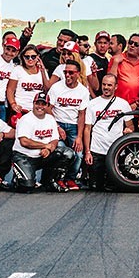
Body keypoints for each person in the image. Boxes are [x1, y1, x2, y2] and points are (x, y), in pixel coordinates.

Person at [12, 92, 74, 193]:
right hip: (24, 156)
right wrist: (45, 145)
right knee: (27, 187)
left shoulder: (50, 119)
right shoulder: (26, 119)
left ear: (47, 106)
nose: (40, 106)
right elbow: (24, 142)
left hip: (42, 156)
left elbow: (54, 140)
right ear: (33, 104)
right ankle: (17, 179)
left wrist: (49, 149)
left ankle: (51, 180)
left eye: (43, 104)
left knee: (68, 153)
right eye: (38, 103)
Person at [83, 74, 134, 191]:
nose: (106, 87)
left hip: (116, 152)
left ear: (116, 86)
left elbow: (130, 126)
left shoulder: (123, 104)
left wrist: (128, 130)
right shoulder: (92, 103)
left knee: (114, 188)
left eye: (109, 85)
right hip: (97, 151)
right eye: (104, 84)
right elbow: (87, 129)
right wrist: (87, 152)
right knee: (95, 187)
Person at [48, 60, 89, 190]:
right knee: (61, 152)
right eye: (65, 72)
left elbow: (82, 115)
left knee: (78, 154)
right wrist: (57, 127)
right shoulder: (56, 87)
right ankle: (56, 178)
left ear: (78, 74)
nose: (67, 75)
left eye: (71, 72)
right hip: (57, 122)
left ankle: (70, 179)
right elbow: (49, 109)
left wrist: (79, 136)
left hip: (74, 125)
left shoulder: (83, 91)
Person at [7, 45, 49, 121]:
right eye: (27, 57)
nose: (30, 59)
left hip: (37, 111)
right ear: (23, 57)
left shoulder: (42, 71)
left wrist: (43, 71)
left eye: (33, 57)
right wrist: (13, 104)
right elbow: (10, 90)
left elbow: (47, 90)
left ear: (38, 57)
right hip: (21, 110)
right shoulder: (17, 70)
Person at [109, 33, 139, 104]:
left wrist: (137, 103)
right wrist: (115, 63)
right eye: (131, 43)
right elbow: (110, 81)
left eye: (136, 44)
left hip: (136, 106)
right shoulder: (116, 59)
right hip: (117, 104)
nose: (132, 46)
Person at [86, 31, 112, 95]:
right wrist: (94, 99)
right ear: (95, 44)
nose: (102, 45)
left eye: (105, 43)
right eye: (99, 43)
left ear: (109, 45)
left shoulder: (107, 60)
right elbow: (87, 83)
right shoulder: (89, 59)